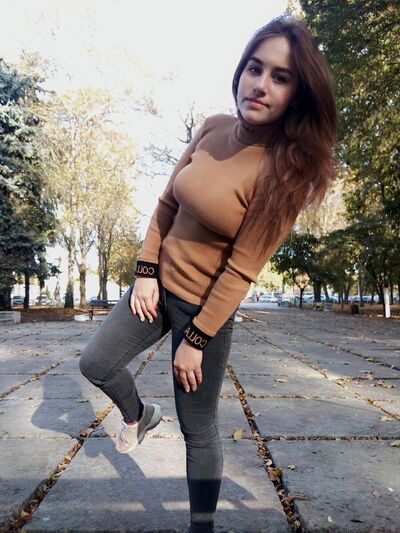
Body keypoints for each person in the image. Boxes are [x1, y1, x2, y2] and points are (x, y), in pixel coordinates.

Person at [79, 16, 336, 532]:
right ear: (240, 71)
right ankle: (138, 416)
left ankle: (201, 528)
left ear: (296, 95)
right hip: (154, 288)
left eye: (280, 77)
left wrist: (195, 339)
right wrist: (145, 271)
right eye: (254, 68)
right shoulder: (213, 127)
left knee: (198, 430)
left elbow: (242, 269)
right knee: (96, 363)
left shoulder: (282, 172)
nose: (260, 84)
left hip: (204, 312)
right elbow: (166, 203)